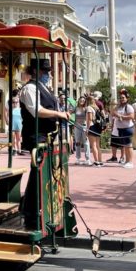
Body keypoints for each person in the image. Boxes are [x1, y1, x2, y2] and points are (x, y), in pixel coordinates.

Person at [18, 58, 71, 231]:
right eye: (45, 71)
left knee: (42, 174)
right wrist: (58, 114)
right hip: (37, 136)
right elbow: (37, 111)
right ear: (35, 71)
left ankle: (33, 209)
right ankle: (30, 214)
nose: (48, 74)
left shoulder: (44, 88)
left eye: (48, 71)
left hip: (48, 137)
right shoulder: (29, 88)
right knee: (38, 174)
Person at [112, 90, 136, 169]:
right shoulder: (119, 107)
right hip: (120, 129)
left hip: (128, 129)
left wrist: (121, 117)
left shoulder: (128, 107)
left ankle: (130, 162)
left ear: (127, 98)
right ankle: (127, 161)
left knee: (129, 145)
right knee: (125, 146)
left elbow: (132, 116)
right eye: (120, 98)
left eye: (123, 98)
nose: (121, 99)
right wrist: (117, 114)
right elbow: (113, 113)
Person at [86, 92, 105, 167]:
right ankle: (100, 160)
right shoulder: (96, 107)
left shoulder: (89, 107)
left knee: (93, 145)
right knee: (97, 145)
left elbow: (90, 119)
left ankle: (96, 161)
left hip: (92, 126)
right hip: (98, 127)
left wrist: (87, 129)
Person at [72, 95, 92, 166]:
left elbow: (89, 119)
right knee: (77, 142)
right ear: (79, 100)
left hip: (84, 127)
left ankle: (88, 159)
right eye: (81, 100)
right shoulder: (76, 108)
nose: (82, 101)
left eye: (83, 100)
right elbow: (70, 112)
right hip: (77, 127)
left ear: (85, 101)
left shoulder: (86, 109)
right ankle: (78, 158)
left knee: (86, 143)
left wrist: (88, 129)